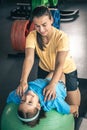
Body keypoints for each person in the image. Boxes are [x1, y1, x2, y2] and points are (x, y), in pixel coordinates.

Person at [16, 6, 80, 110]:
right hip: (45, 68)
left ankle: (75, 88)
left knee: (74, 106)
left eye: (44, 25)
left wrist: (53, 84)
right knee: (44, 99)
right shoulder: (32, 36)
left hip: (66, 69)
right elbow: (29, 58)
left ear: (51, 20)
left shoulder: (61, 37)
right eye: (37, 26)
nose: (41, 29)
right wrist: (23, 80)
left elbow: (59, 63)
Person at [7, 73, 78, 127]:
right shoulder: (51, 100)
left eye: (22, 101)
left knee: (51, 71)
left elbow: (10, 97)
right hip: (59, 84)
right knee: (61, 71)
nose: (27, 97)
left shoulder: (19, 95)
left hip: (44, 81)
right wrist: (76, 107)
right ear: (38, 106)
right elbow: (67, 109)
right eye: (30, 102)